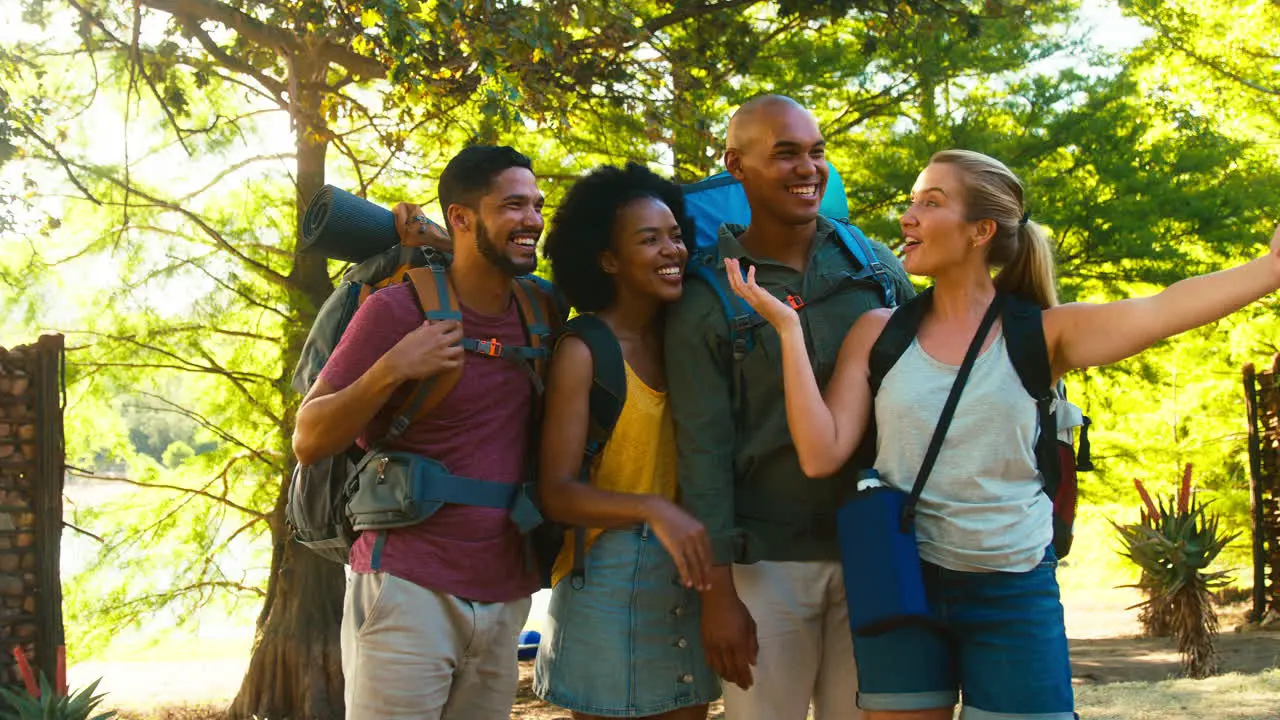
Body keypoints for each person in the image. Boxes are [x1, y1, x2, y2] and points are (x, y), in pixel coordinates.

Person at [726, 147, 1280, 719]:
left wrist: (1270, 271)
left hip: (1011, 589)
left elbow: (1165, 307)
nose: (908, 216)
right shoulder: (879, 333)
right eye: (912, 200)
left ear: (981, 231)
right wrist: (788, 331)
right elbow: (820, 454)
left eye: (931, 203)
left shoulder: (1040, 334)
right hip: (903, 583)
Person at [664, 95, 915, 720]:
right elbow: (702, 450)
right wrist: (717, 593)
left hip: (876, 551)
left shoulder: (875, 268)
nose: (808, 168)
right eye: (785, 155)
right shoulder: (708, 293)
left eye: (816, 152)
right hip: (765, 566)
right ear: (737, 165)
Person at [291, 145, 559, 719]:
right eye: (513, 205)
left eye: (537, 205)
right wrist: (393, 367)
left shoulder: (542, 310)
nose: (533, 219)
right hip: (406, 585)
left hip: (506, 591)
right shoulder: (396, 311)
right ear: (462, 218)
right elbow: (309, 438)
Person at [533, 162, 721, 719]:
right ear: (607, 258)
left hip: (689, 576)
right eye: (649, 240)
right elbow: (556, 493)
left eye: (676, 236)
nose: (672, 251)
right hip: (604, 583)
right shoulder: (584, 350)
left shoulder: (687, 338)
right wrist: (653, 508)